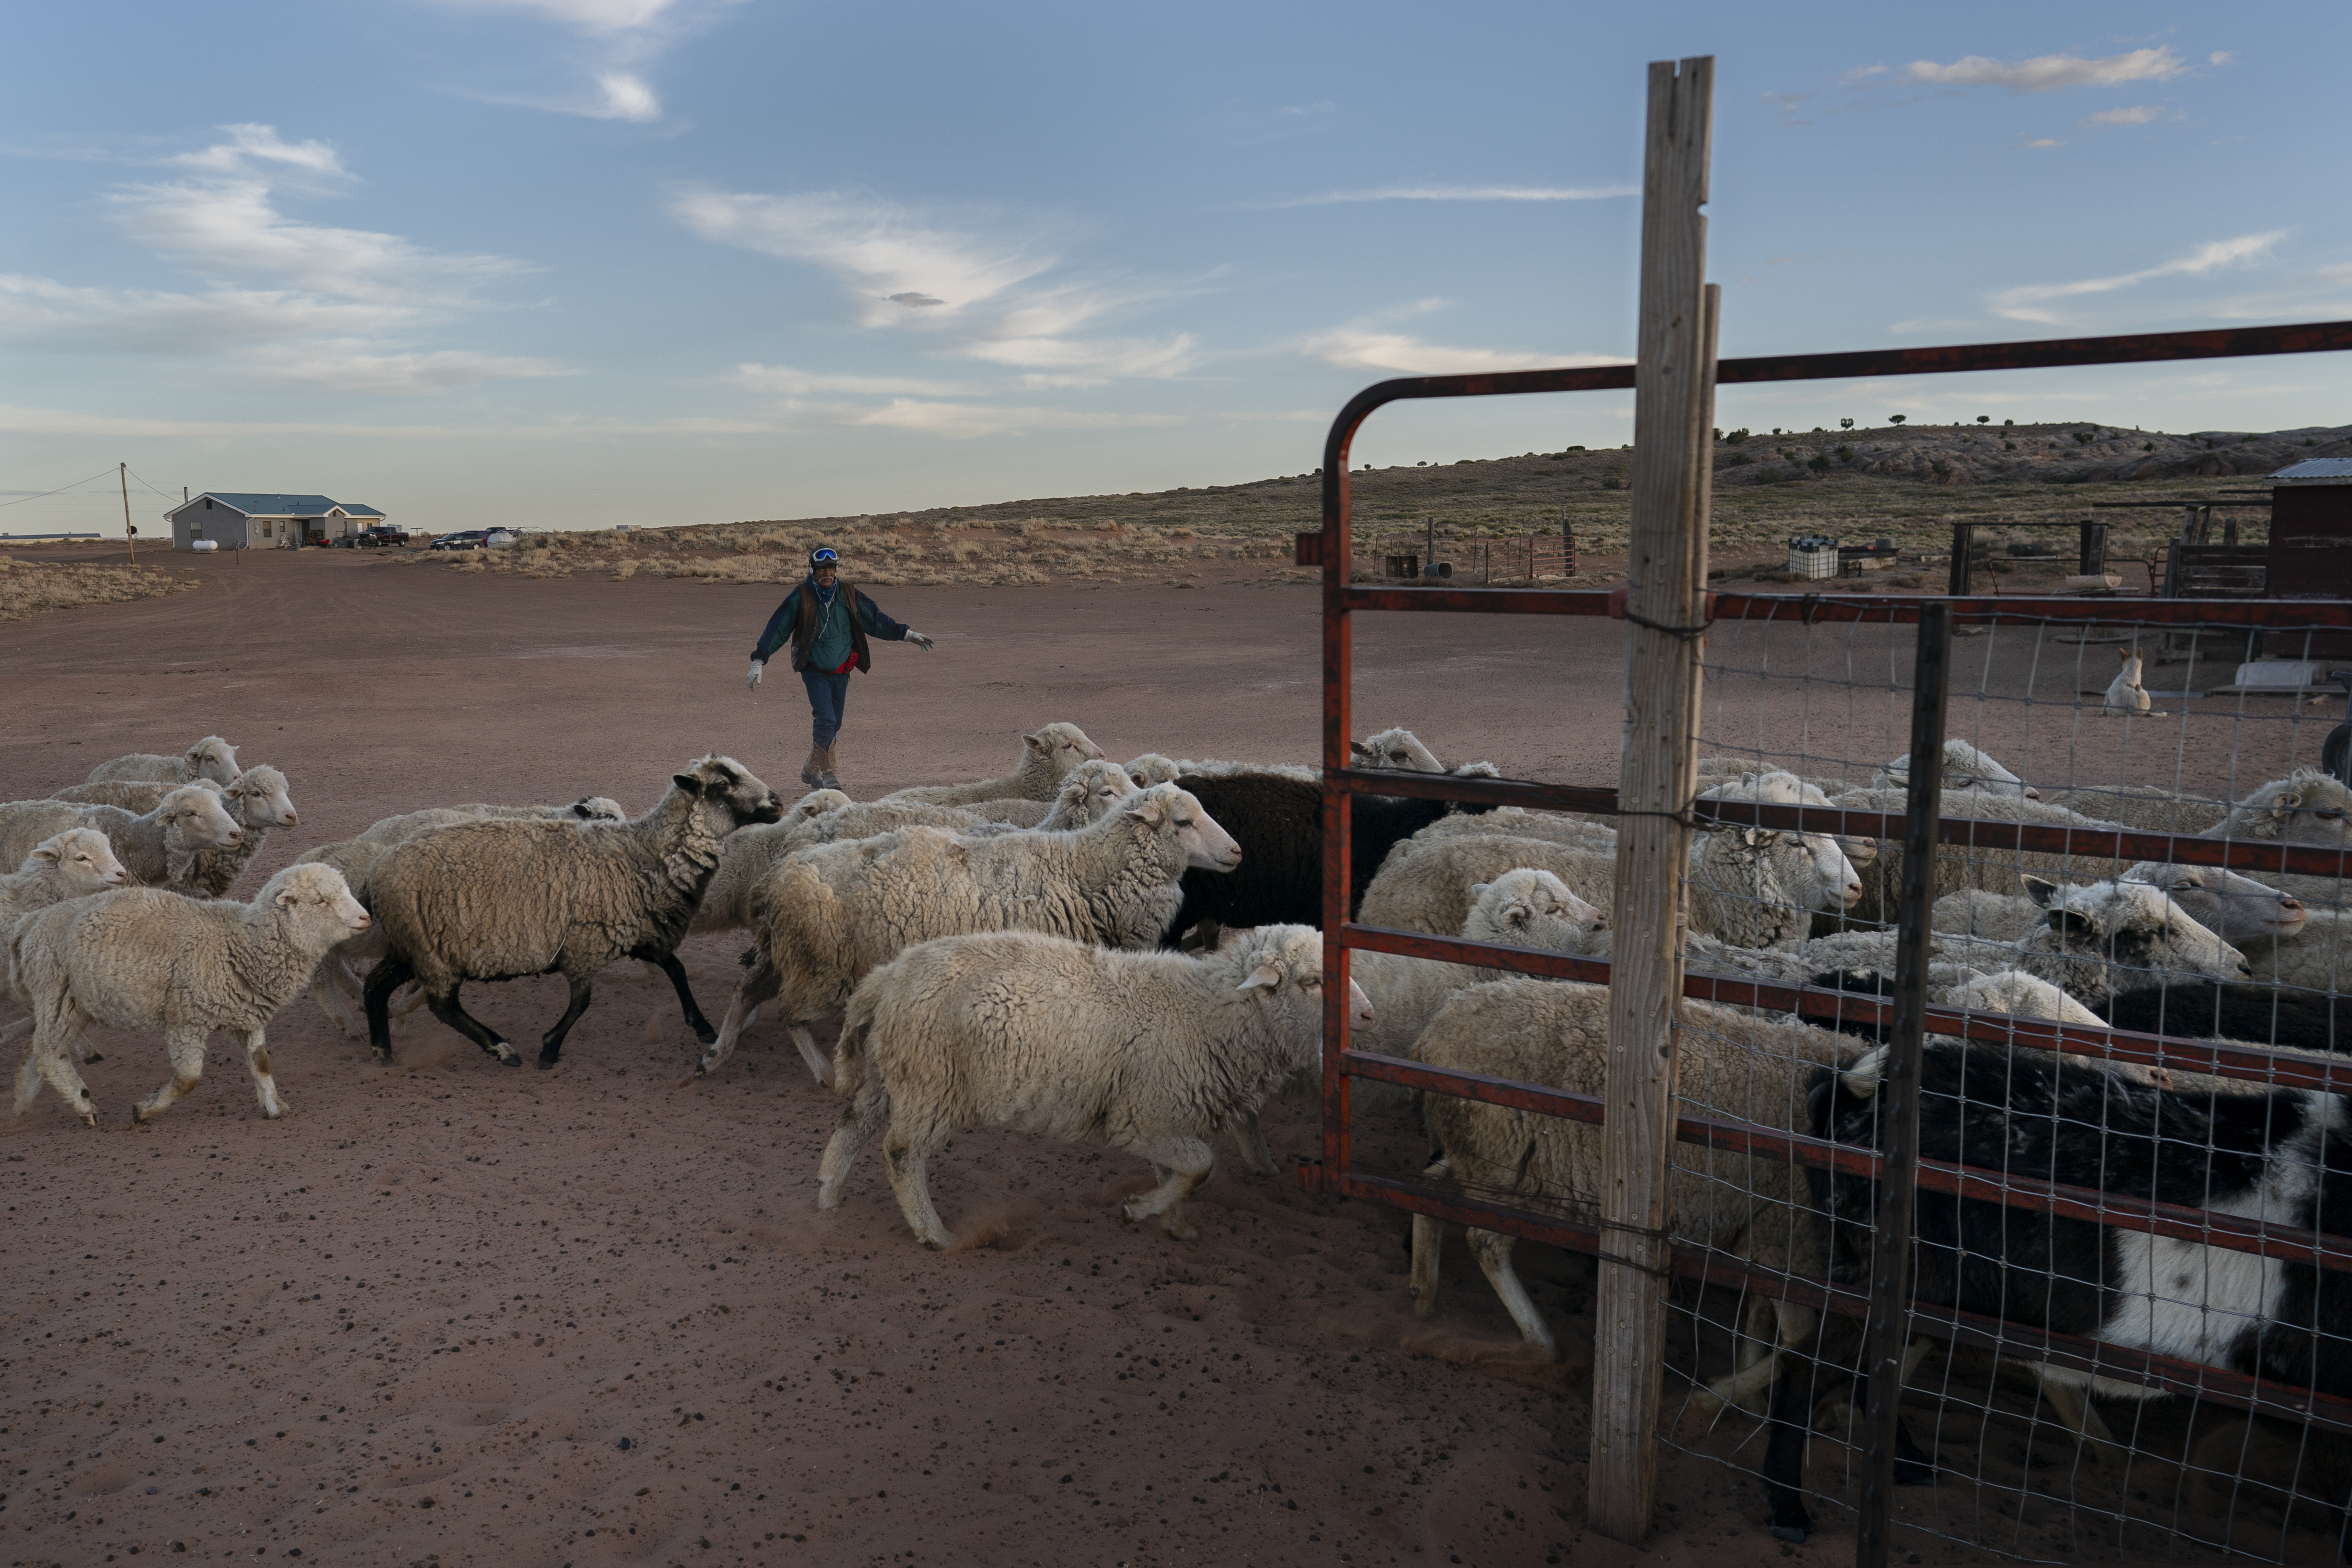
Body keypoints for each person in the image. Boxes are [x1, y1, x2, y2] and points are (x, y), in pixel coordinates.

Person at [746, 546, 934, 791]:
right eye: (822, 568)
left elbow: (876, 620)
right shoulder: (800, 597)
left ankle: (810, 770)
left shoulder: (848, 594)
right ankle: (828, 774)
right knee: (825, 719)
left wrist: (907, 634)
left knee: (835, 724)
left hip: (841, 670)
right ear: (812, 570)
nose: (828, 573)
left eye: (832, 568)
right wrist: (759, 660)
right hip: (814, 670)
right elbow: (777, 629)